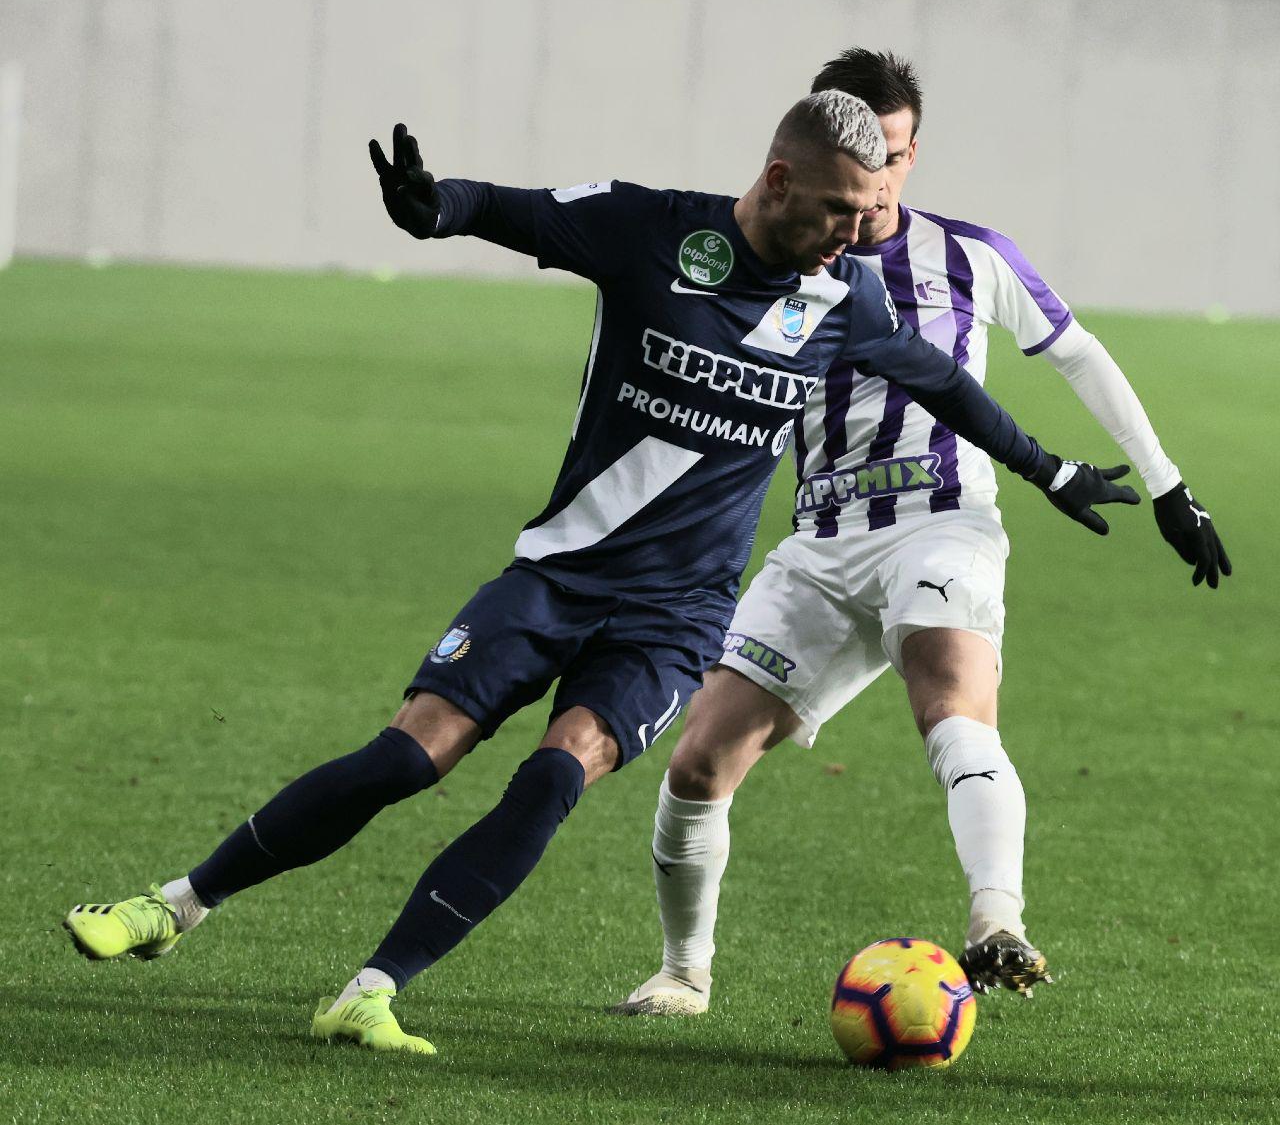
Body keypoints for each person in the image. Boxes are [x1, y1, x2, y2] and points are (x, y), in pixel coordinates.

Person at [63, 91, 1136, 1056]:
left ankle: (373, 989)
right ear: (777, 181)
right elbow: (517, 211)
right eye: (839, 211)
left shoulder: (844, 295)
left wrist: (1049, 470)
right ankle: (174, 905)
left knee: (554, 774)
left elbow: (941, 382)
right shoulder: (653, 230)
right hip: (557, 573)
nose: (859, 233)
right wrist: (433, 208)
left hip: (676, 619)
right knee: (407, 756)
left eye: (868, 213)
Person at [614, 50, 1230, 1017]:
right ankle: (684, 973)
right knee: (699, 760)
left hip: (942, 522)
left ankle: (997, 923)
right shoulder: (772, 260)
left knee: (951, 699)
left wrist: (1167, 484)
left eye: (895, 157)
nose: (878, 185)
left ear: (911, 153)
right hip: (820, 542)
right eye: (862, 162)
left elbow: (1079, 354)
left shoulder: (971, 256)